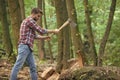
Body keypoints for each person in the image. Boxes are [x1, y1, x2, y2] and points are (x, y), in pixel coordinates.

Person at [10, 8, 59, 80]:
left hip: (29, 48)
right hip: (24, 46)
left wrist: (45, 37)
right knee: (18, 65)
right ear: (33, 14)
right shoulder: (29, 21)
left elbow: (35, 36)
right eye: (38, 16)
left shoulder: (30, 23)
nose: (39, 18)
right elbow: (41, 30)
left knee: (33, 67)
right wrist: (53, 31)